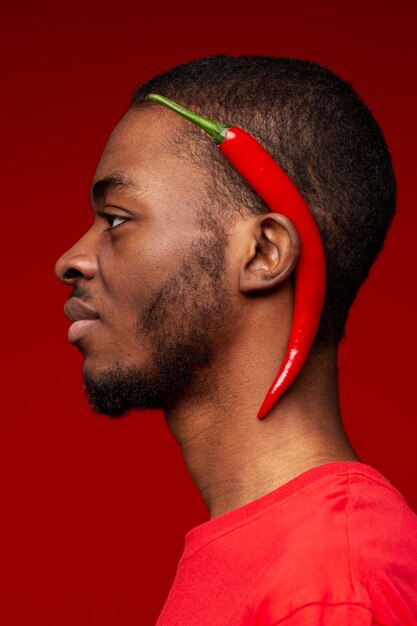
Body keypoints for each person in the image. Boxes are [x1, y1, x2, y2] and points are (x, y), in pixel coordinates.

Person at [55, 55, 417, 625]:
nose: (69, 260)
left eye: (117, 219)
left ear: (264, 253)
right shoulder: (280, 554)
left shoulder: (330, 584)